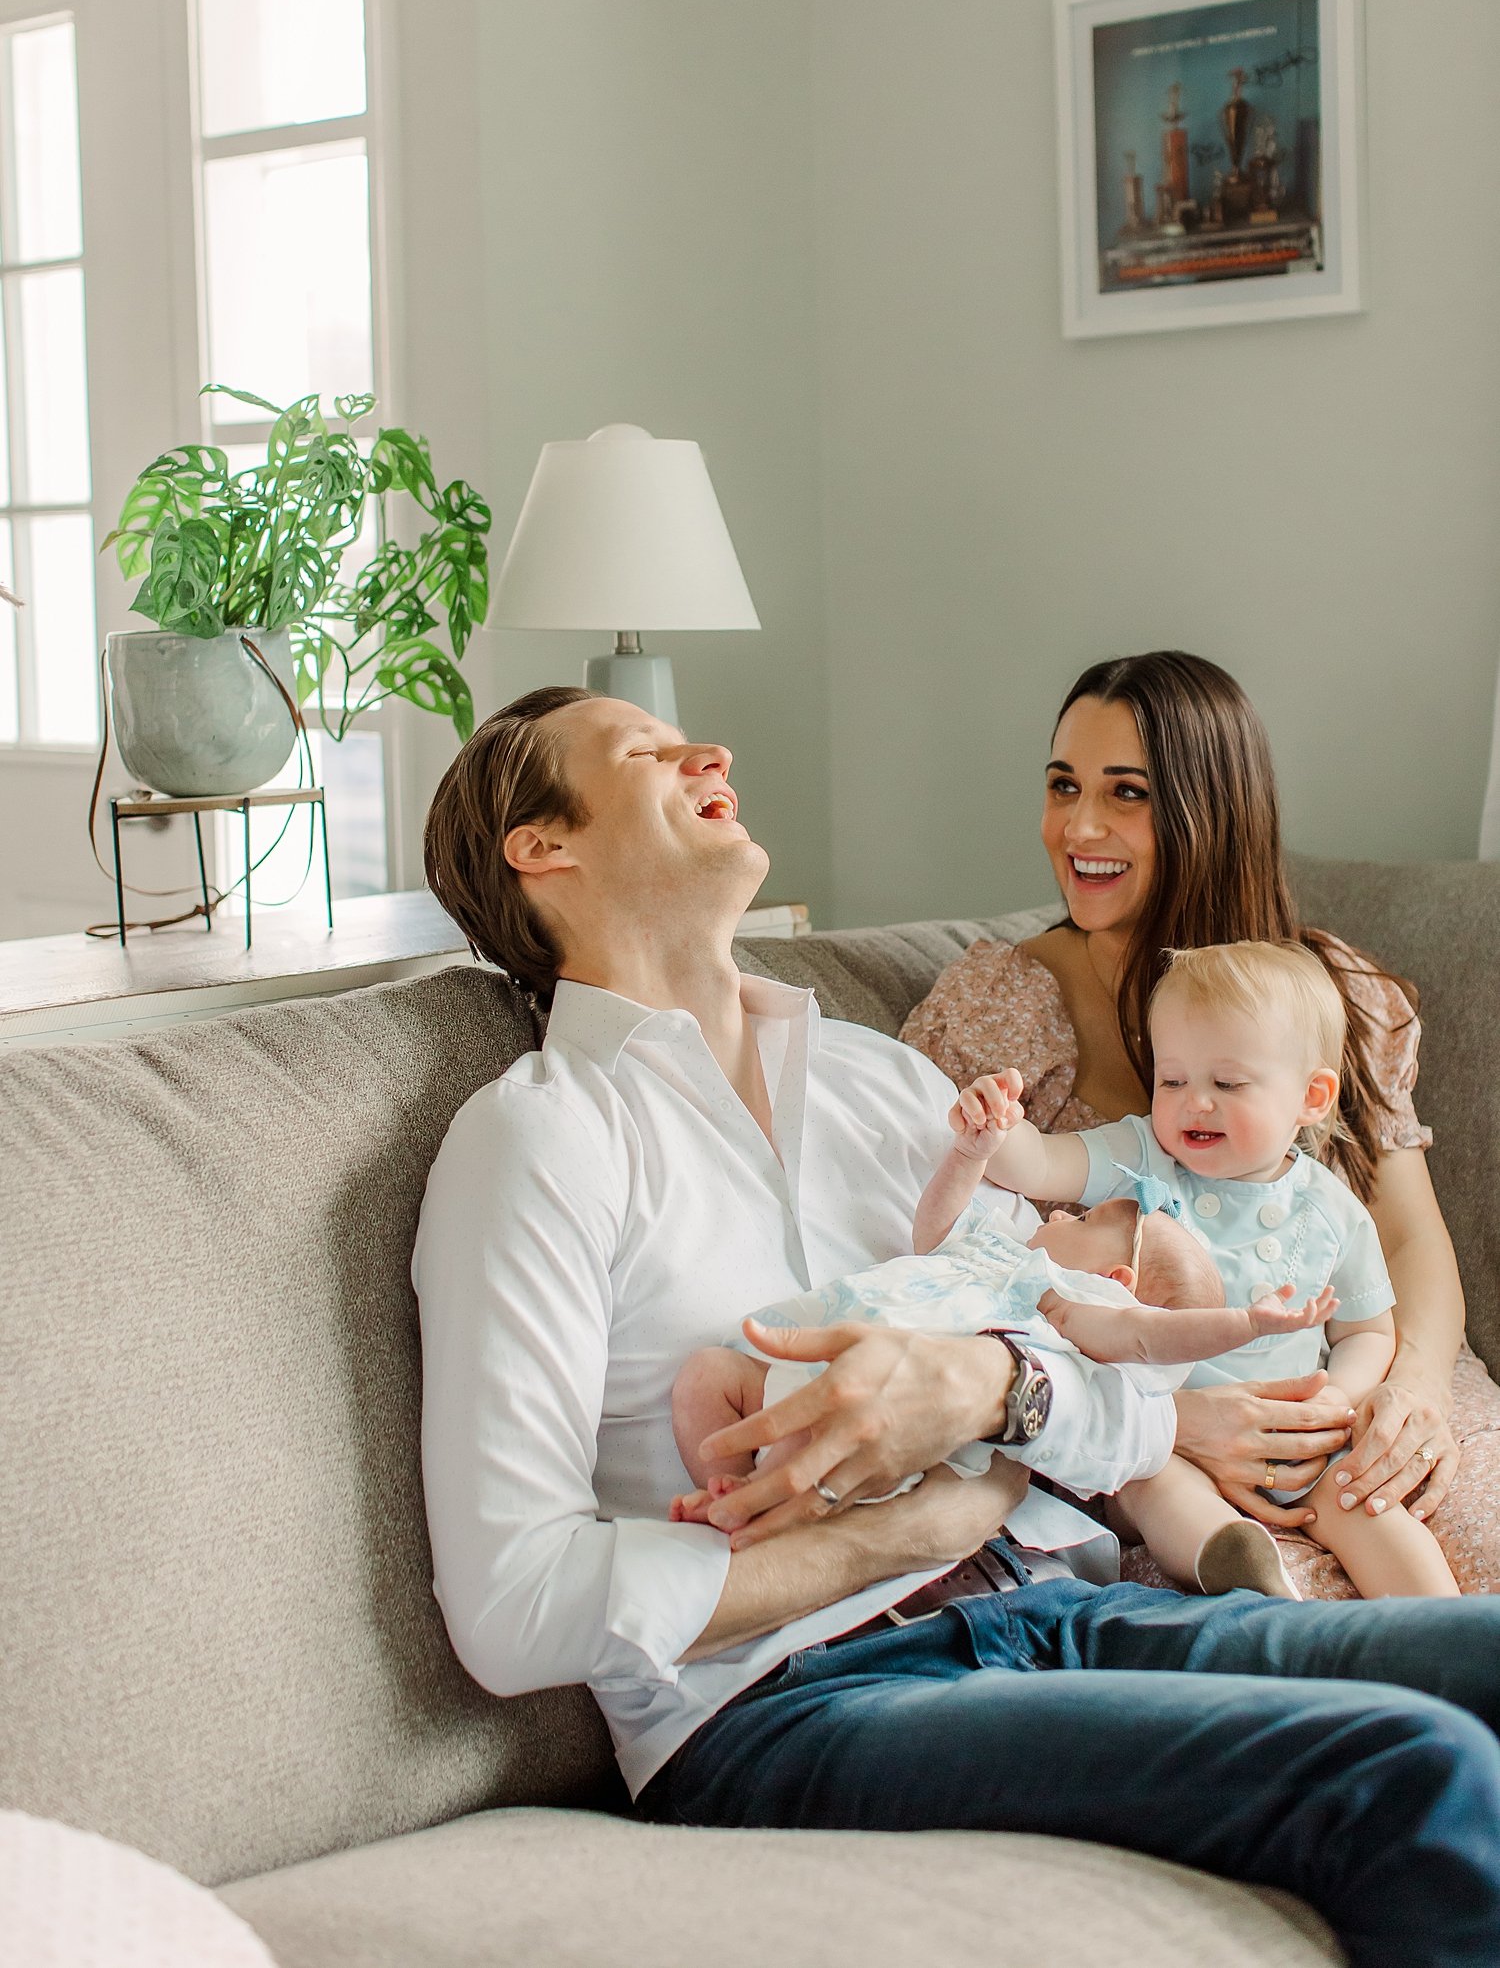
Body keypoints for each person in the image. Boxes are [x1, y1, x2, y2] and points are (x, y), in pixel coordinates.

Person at [414, 685, 1500, 1968]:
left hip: (1063, 1610)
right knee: (1411, 1765)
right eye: (646, 752)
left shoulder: (886, 1084)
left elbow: (1084, 1356)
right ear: (544, 849)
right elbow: (511, 1605)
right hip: (794, 1703)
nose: (709, 748)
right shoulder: (540, 1137)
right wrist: (917, 1526)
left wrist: (997, 1396)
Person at [902, 649, 1500, 1598]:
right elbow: (950, 1273)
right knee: (1271, 1615)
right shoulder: (999, 1005)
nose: (1079, 826)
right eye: (1064, 785)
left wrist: (1406, 1391)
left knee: (1457, 1550)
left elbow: (1406, 1235)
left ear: (1210, 809)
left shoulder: (1329, 995)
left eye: (1126, 792)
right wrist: (1172, 1422)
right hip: (1136, 1420)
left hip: (1356, 1383)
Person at [670, 1097, 1333, 1601]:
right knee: (707, 1377)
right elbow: (934, 1228)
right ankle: (728, 1488)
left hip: (888, 1408)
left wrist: (1244, 1323)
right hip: (813, 1358)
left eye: (1083, 1220)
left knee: (811, 1439)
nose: (1056, 1215)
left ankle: (748, 1508)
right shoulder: (993, 1255)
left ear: (1115, 1282)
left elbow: (1150, 1336)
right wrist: (970, 1154)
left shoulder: (1068, 1309)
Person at [975, 940, 1459, 1600]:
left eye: (1226, 1085)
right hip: (1163, 1430)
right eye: (1173, 1080)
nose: (1192, 1103)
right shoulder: (1143, 1157)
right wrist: (997, 1129)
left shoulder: (1333, 1210)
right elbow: (1038, 1166)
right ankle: (1236, 1565)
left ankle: (1446, 1630)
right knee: (1150, 1480)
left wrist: (1334, 1402)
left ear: (1312, 1096)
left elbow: (1369, 1332)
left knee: (1368, 1504)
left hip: (1301, 1441)